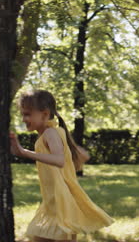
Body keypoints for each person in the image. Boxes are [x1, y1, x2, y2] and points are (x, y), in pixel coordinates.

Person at [10, 90, 114, 242]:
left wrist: (24, 152)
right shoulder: (52, 133)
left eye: (27, 114)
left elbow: (59, 160)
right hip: (51, 202)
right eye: (23, 114)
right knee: (39, 236)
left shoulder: (50, 133)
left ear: (45, 114)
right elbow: (75, 158)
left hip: (60, 203)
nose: (24, 119)